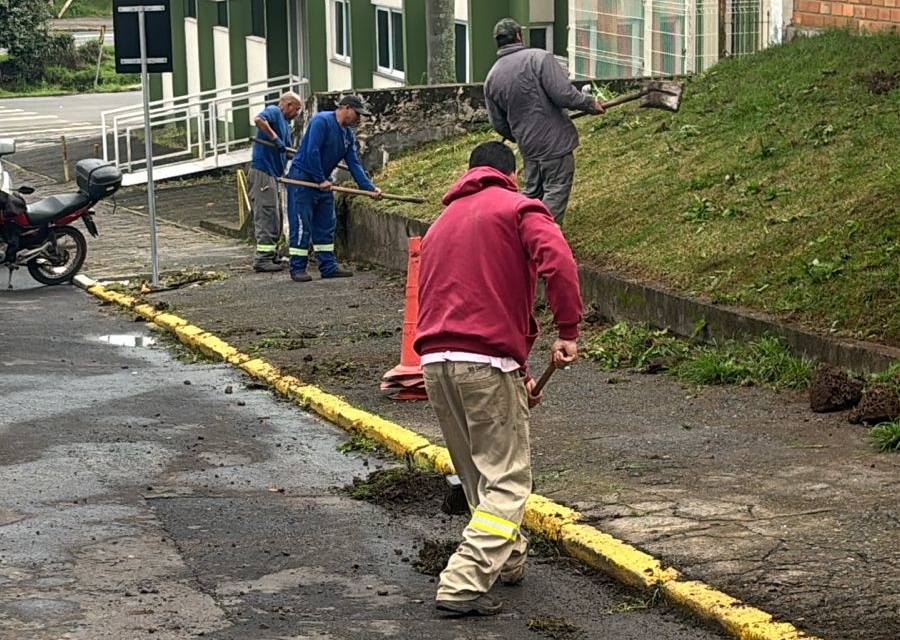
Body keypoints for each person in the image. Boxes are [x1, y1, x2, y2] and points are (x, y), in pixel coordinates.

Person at [414, 140, 583, 616]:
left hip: (435, 363)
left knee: (476, 476)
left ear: (468, 173)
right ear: (513, 172)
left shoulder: (440, 224)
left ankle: (507, 560)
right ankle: (463, 583)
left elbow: (464, 299)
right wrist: (567, 330)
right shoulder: (518, 208)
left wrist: (521, 374)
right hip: (486, 363)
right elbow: (560, 263)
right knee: (508, 480)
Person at [483, 18, 605, 226]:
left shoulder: (492, 78)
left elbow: (498, 123)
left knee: (532, 193)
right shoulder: (539, 58)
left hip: (528, 146)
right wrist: (590, 103)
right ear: (519, 36)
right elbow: (563, 94)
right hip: (554, 142)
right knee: (556, 190)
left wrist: (520, 134)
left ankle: (519, 233)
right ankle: (539, 235)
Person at [284, 94, 382, 281]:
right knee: (302, 223)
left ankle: (328, 265)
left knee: (326, 224)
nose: (358, 119)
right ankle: (297, 267)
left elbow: (354, 164)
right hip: (303, 178)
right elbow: (312, 150)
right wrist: (320, 179)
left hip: (323, 182)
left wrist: (369, 188)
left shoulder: (347, 135)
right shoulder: (321, 121)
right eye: (357, 113)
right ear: (345, 108)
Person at [248, 91, 302, 272]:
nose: (297, 113)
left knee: (275, 215)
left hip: (273, 174)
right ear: (287, 105)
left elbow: (284, 150)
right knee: (266, 213)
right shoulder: (274, 112)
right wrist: (275, 138)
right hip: (263, 171)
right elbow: (258, 120)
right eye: (296, 109)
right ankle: (262, 259)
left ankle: (271, 255)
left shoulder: (286, 125)